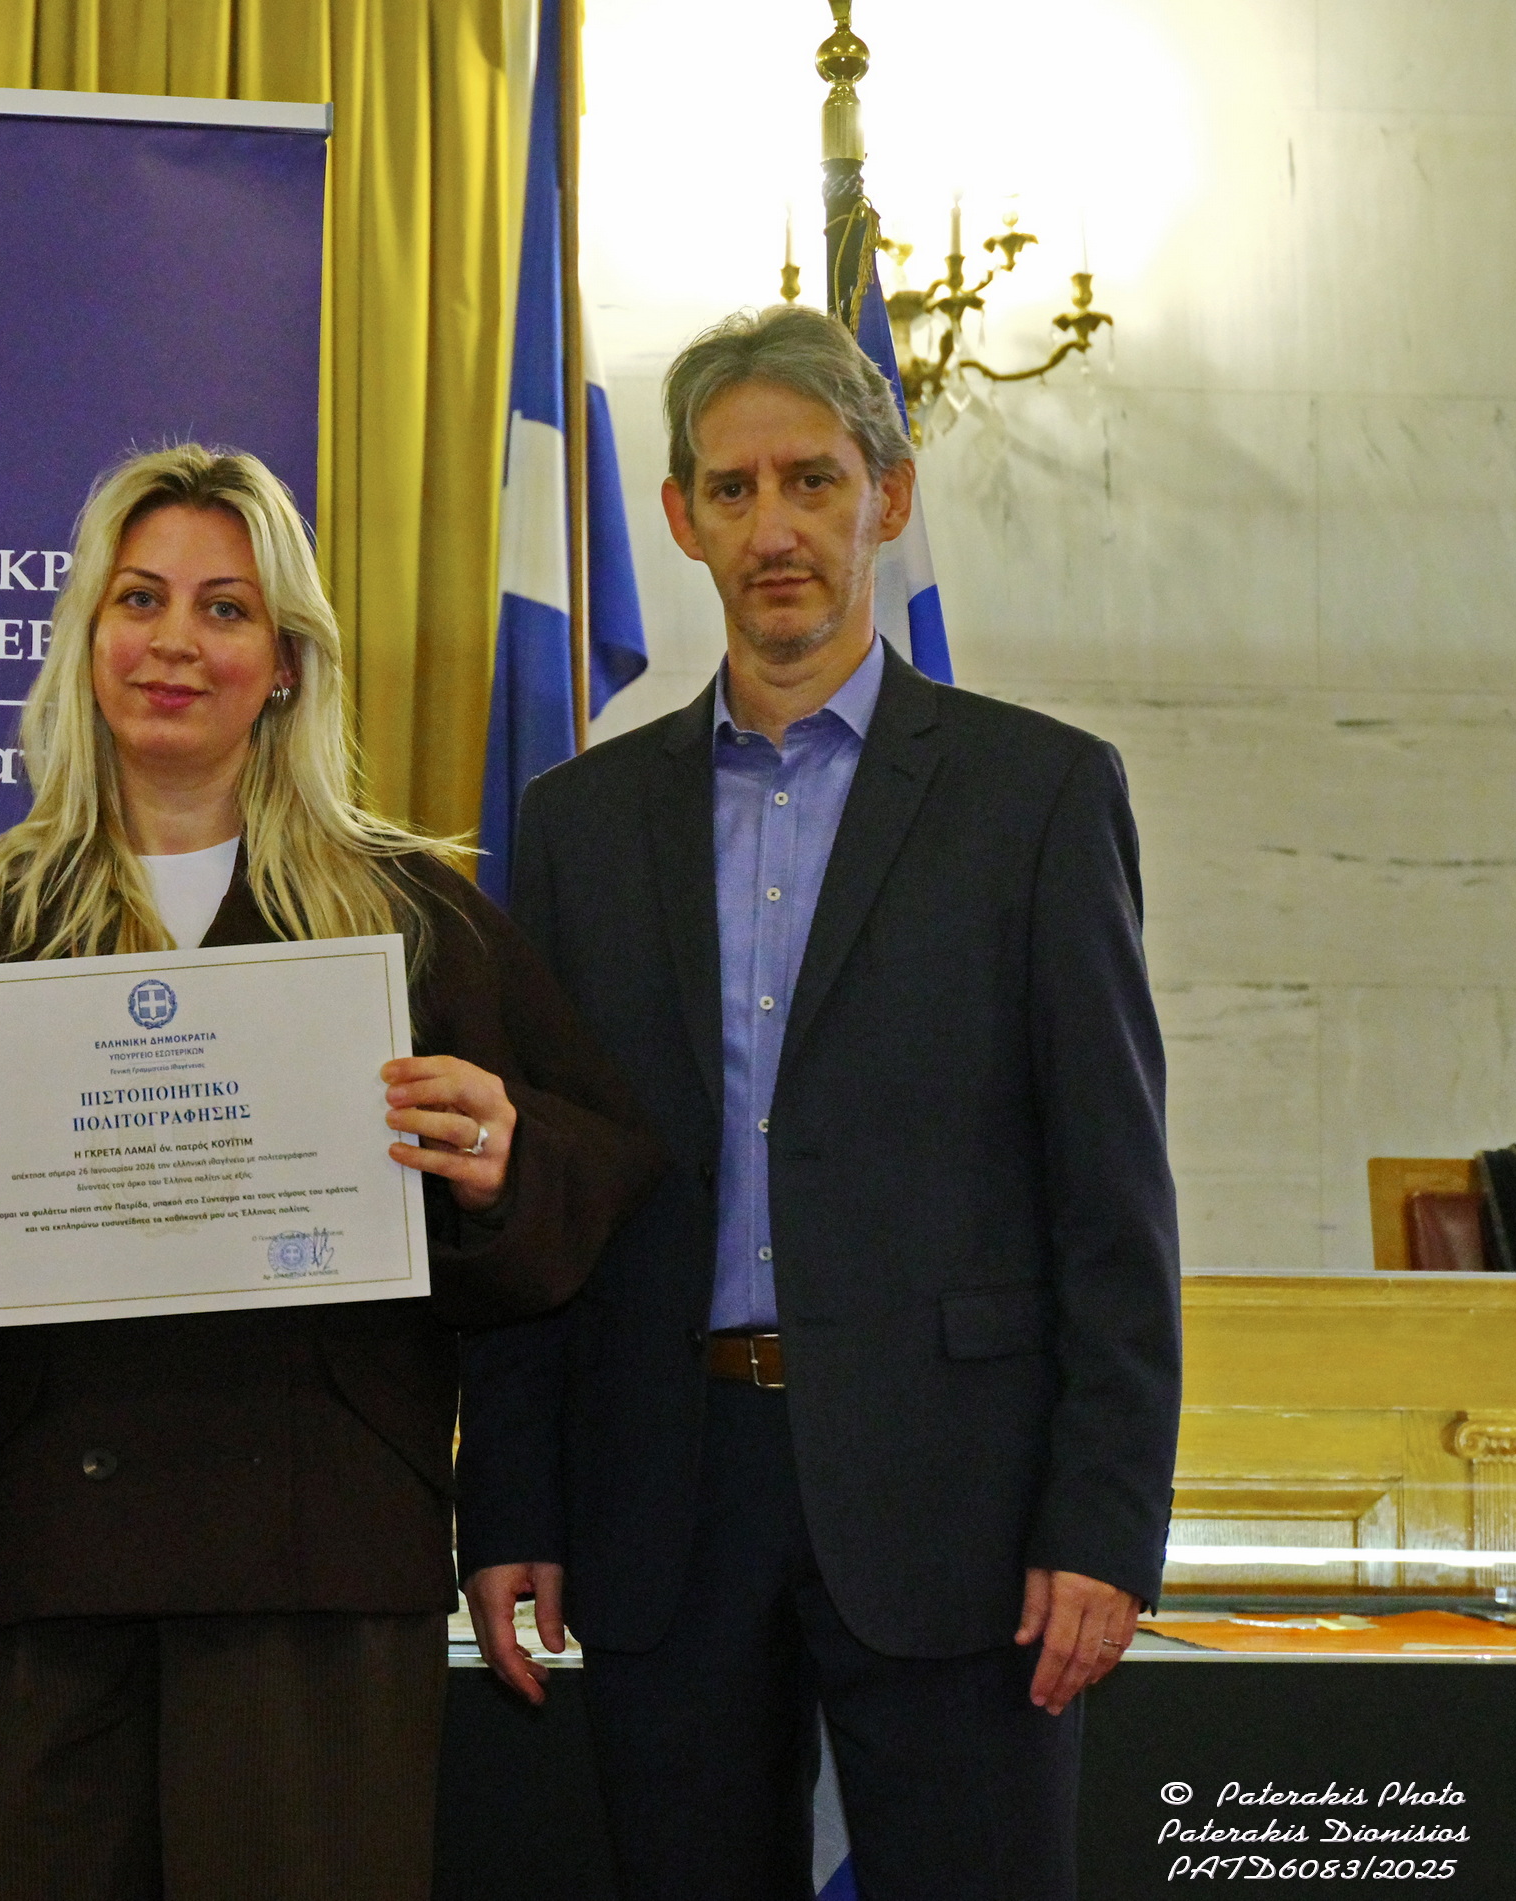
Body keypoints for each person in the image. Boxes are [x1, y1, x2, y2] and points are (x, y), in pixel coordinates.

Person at [0, 444, 659, 1900]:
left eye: (225, 608)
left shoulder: (413, 922)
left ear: (287, 664)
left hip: (321, 1562)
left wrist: (501, 1165)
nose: (175, 642)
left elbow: (595, 1174)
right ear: (87, 643)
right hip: (49, 1566)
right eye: (139, 600)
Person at [458, 305, 1181, 1901]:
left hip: (960, 1509)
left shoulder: (1040, 796)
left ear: (888, 497)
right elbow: (543, 1194)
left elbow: (1113, 1198)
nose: (773, 527)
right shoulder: (577, 826)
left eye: (813, 481)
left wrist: (1105, 1519)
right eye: (732, 490)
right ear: (679, 519)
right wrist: (508, 1495)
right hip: (665, 1495)